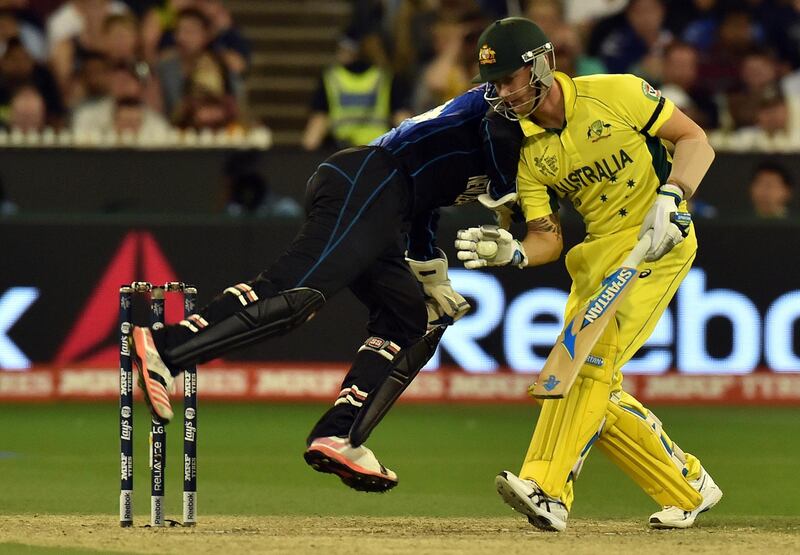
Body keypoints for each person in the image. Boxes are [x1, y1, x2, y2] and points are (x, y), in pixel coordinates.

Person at [129, 84, 523, 492]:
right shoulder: (499, 114)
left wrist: (430, 272)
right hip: (369, 180)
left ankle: (340, 434)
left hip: (387, 201)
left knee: (410, 319)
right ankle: (167, 346)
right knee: (296, 294)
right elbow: (493, 112)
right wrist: (512, 187)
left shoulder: (487, 144)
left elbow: (426, 202)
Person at [455, 17, 722, 531]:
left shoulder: (616, 93)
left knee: (588, 363)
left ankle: (547, 489)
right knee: (592, 380)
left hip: (657, 242)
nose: (504, 93)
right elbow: (547, 239)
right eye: (496, 83)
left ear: (540, 65)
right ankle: (686, 486)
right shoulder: (527, 151)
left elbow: (696, 141)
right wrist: (512, 253)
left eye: (511, 78)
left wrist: (675, 195)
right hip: (597, 262)